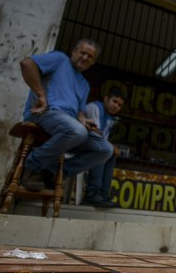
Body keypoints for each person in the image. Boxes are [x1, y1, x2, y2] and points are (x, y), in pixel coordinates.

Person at [19, 39, 113, 191]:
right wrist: (41, 95)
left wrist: (83, 121)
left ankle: (51, 171)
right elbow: (27, 64)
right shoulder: (60, 59)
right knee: (77, 131)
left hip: (69, 122)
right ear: (74, 52)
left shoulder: (84, 84)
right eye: (82, 53)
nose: (85, 58)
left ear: (93, 62)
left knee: (104, 149)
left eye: (90, 57)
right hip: (44, 112)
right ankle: (32, 166)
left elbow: (79, 111)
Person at [82, 87, 125, 207]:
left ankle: (103, 194)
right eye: (114, 101)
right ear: (106, 99)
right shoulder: (95, 108)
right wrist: (111, 147)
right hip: (78, 142)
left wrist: (112, 148)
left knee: (111, 154)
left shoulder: (110, 117)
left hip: (91, 145)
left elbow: (102, 138)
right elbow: (96, 134)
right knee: (103, 150)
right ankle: (92, 192)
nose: (116, 106)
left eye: (119, 105)